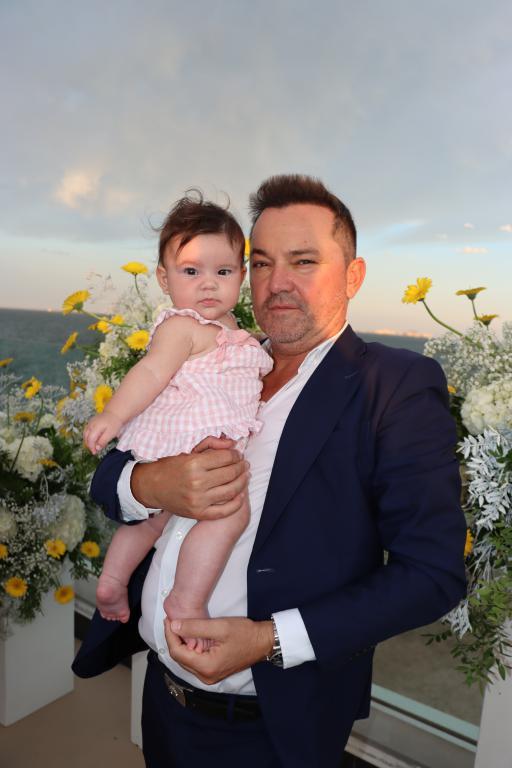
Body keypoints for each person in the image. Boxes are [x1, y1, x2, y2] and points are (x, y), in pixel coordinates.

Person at [73, 174, 467, 768]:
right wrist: (150, 485)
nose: (276, 282)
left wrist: (269, 640)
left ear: (353, 275)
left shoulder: (395, 386)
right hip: (161, 694)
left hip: (270, 728)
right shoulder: (215, 355)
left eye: (303, 261)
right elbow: (109, 476)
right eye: (260, 263)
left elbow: (433, 574)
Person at [83, 193, 272, 647]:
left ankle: (112, 580)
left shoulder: (234, 332)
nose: (208, 284)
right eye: (191, 272)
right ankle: (187, 601)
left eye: (223, 272)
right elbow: (151, 372)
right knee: (229, 513)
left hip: (201, 443)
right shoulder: (182, 326)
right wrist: (113, 414)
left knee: (154, 521)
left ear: (241, 276)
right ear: (164, 279)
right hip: (186, 437)